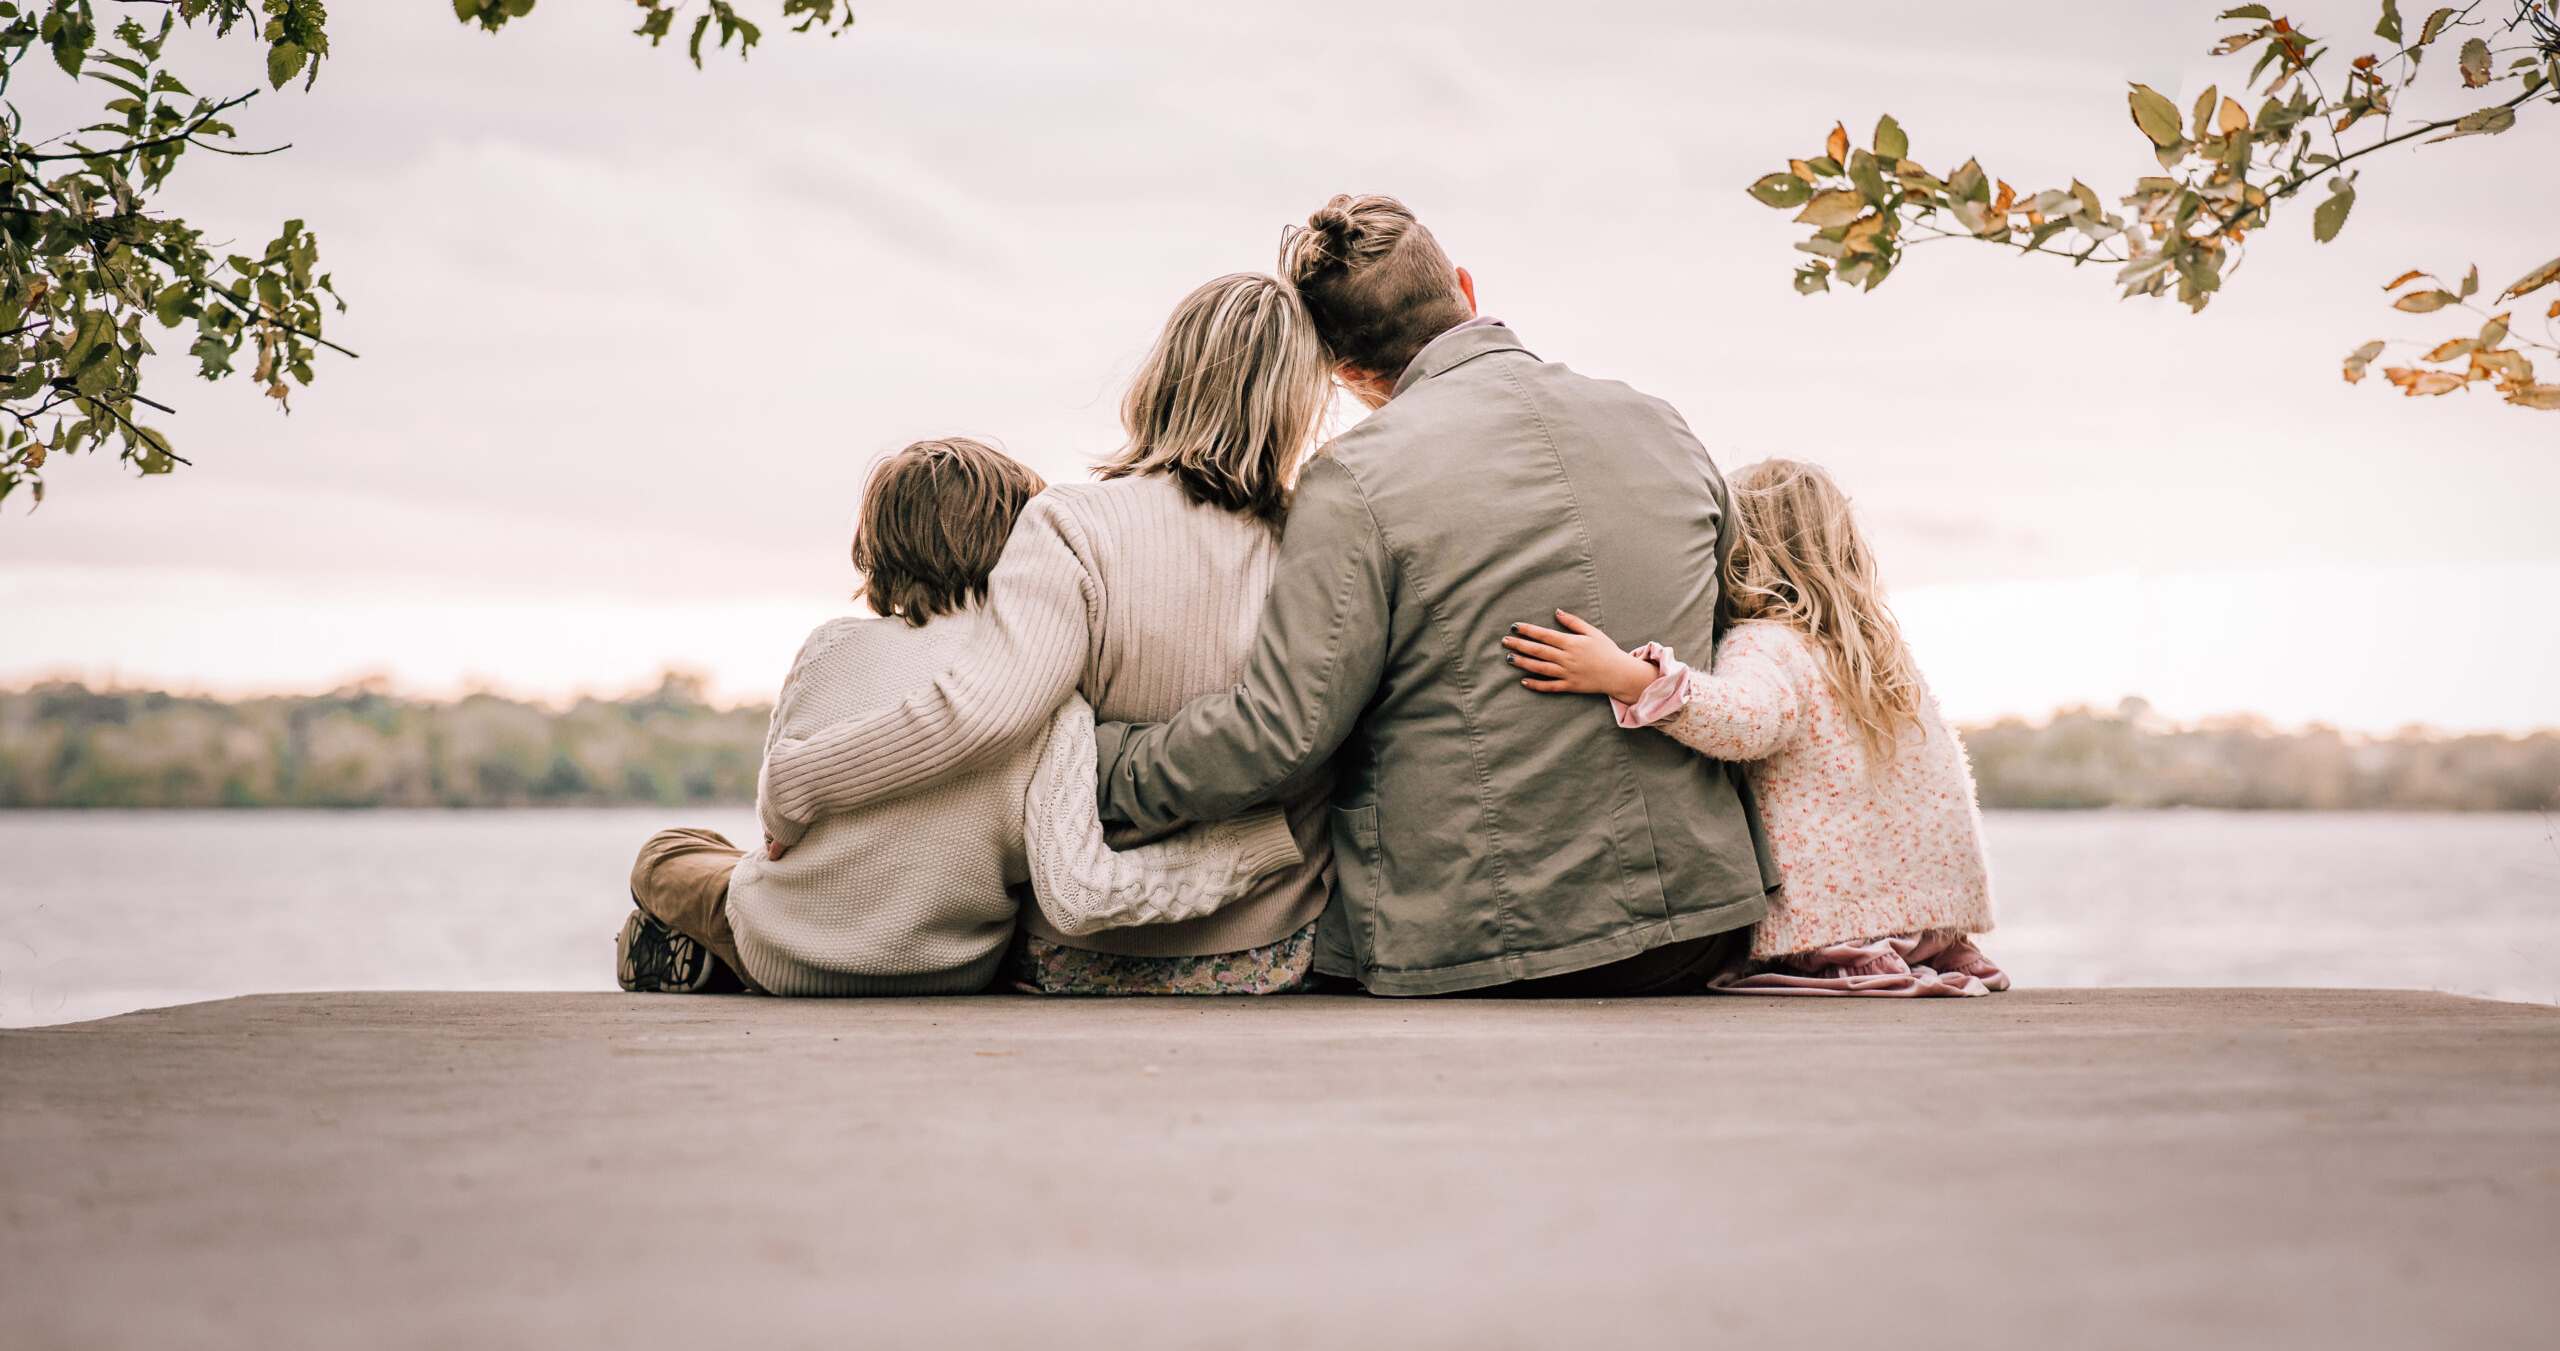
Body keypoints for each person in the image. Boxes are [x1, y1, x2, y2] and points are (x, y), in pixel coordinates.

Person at [1085, 194, 1777, 997]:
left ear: (1345, 374)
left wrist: (1102, 764)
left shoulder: (1353, 475)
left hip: (1476, 946)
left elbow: (1281, 730)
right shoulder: (1664, 424)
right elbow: (1738, 643)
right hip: (1699, 926)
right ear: (1466, 287)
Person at [755, 272, 1341, 994]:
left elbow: (980, 712)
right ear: (1301, 404)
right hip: (1271, 952)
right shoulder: (1321, 546)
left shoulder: (1072, 524)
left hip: (1076, 958)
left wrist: (798, 777)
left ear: (1164, 375)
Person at [616, 438, 1300, 996]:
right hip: (947, 968)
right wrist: (1247, 854)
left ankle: (704, 952)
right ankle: (708, 952)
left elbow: (777, 834)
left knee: (670, 852)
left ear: (873, 546)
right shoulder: (1049, 704)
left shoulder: (830, 646)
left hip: (784, 951)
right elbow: (1081, 894)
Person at [1501, 458, 2008, 996]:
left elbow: (1745, 721)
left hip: (1839, 931)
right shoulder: (1880, 659)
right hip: (1931, 924)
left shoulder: (1768, 644)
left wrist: (1627, 677)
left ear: (1739, 553)